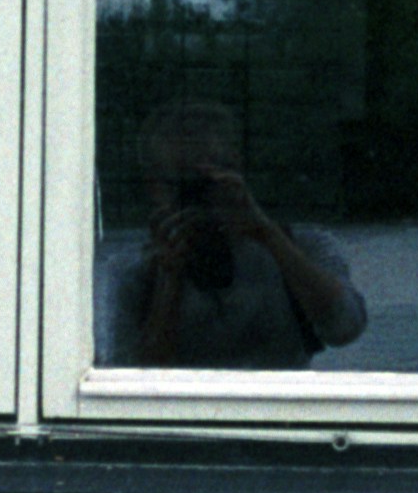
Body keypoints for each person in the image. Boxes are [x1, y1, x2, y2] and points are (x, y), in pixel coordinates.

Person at [102, 101, 367, 369]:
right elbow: (130, 381)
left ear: (238, 174)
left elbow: (346, 327)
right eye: (184, 186)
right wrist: (169, 278)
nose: (199, 199)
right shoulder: (137, 274)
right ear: (154, 189)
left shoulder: (303, 246)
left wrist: (266, 233)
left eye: (209, 182)